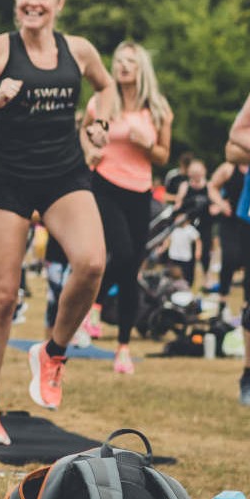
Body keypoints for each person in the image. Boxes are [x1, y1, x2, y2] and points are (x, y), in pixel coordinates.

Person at [0, 0, 113, 438]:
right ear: (17, 0)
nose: (34, 2)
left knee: (92, 263)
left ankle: (54, 351)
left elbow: (105, 89)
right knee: (2, 297)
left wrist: (96, 121)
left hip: (64, 173)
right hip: (9, 181)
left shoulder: (78, 50)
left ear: (59, 3)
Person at [84, 41, 172, 377]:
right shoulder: (103, 103)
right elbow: (85, 132)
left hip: (140, 190)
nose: (122, 67)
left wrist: (146, 144)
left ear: (141, 69)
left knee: (131, 267)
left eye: (130, 62)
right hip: (104, 184)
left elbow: (164, 155)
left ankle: (122, 348)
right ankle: (93, 307)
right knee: (120, 253)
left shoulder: (158, 109)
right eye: (118, 61)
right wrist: (89, 150)